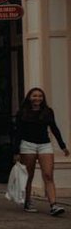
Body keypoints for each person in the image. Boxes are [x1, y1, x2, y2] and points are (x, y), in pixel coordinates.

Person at [12, 87, 68, 216]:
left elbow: (54, 128)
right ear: (29, 97)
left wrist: (62, 145)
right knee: (29, 175)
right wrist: (16, 151)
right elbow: (18, 132)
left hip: (45, 145)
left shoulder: (48, 111)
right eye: (34, 96)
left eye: (40, 96)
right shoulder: (22, 112)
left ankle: (53, 205)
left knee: (48, 175)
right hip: (27, 145)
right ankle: (27, 201)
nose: (37, 98)